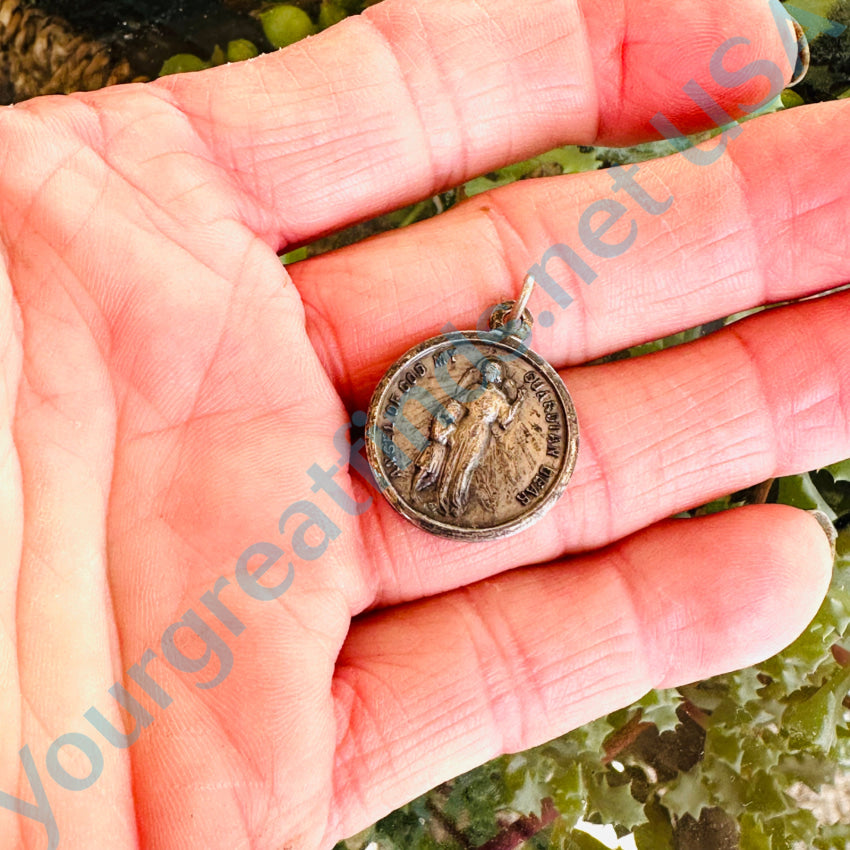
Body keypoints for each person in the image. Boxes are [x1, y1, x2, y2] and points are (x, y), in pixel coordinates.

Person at [0, 0, 843, 847]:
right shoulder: (475, 392)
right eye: (487, 378)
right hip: (434, 447)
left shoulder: (499, 401)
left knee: (462, 473)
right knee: (445, 466)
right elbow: (453, 422)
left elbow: (483, 423)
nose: (488, 383)